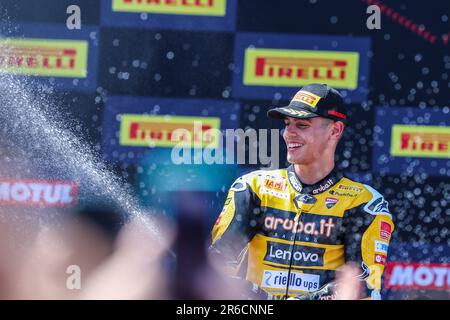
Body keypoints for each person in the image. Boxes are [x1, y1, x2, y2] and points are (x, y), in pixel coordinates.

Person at [209, 83, 395, 300]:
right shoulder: (253, 188)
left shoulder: (364, 203)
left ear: (335, 130)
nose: (289, 133)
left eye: (302, 125)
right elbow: (217, 265)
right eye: (287, 124)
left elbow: (364, 287)